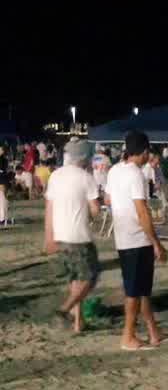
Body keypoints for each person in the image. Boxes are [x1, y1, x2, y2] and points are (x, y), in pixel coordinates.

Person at [105, 129, 168, 351]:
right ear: (144, 152)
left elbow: (108, 199)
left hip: (123, 236)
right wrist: (157, 243)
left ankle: (153, 332)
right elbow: (142, 211)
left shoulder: (114, 170)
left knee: (142, 290)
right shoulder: (136, 175)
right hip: (137, 239)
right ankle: (128, 336)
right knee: (134, 292)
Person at [43, 139, 101, 333]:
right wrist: (91, 215)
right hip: (79, 236)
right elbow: (95, 210)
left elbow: (49, 208)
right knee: (90, 277)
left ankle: (78, 322)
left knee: (75, 279)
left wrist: (48, 236)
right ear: (84, 157)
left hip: (60, 235)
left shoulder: (55, 176)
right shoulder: (86, 178)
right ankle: (64, 310)